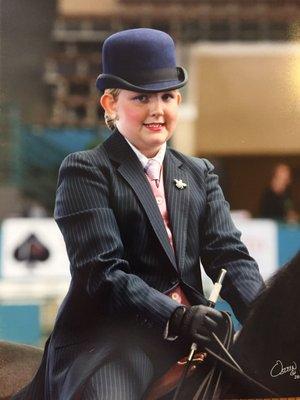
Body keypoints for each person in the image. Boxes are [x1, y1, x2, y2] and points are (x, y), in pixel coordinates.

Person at [13, 28, 264, 400]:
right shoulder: (85, 170)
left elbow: (229, 255)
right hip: (113, 341)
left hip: (197, 338)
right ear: (110, 104)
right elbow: (103, 273)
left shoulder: (199, 173)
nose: (157, 110)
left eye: (167, 96)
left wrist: (267, 318)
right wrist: (176, 316)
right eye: (141, 98)